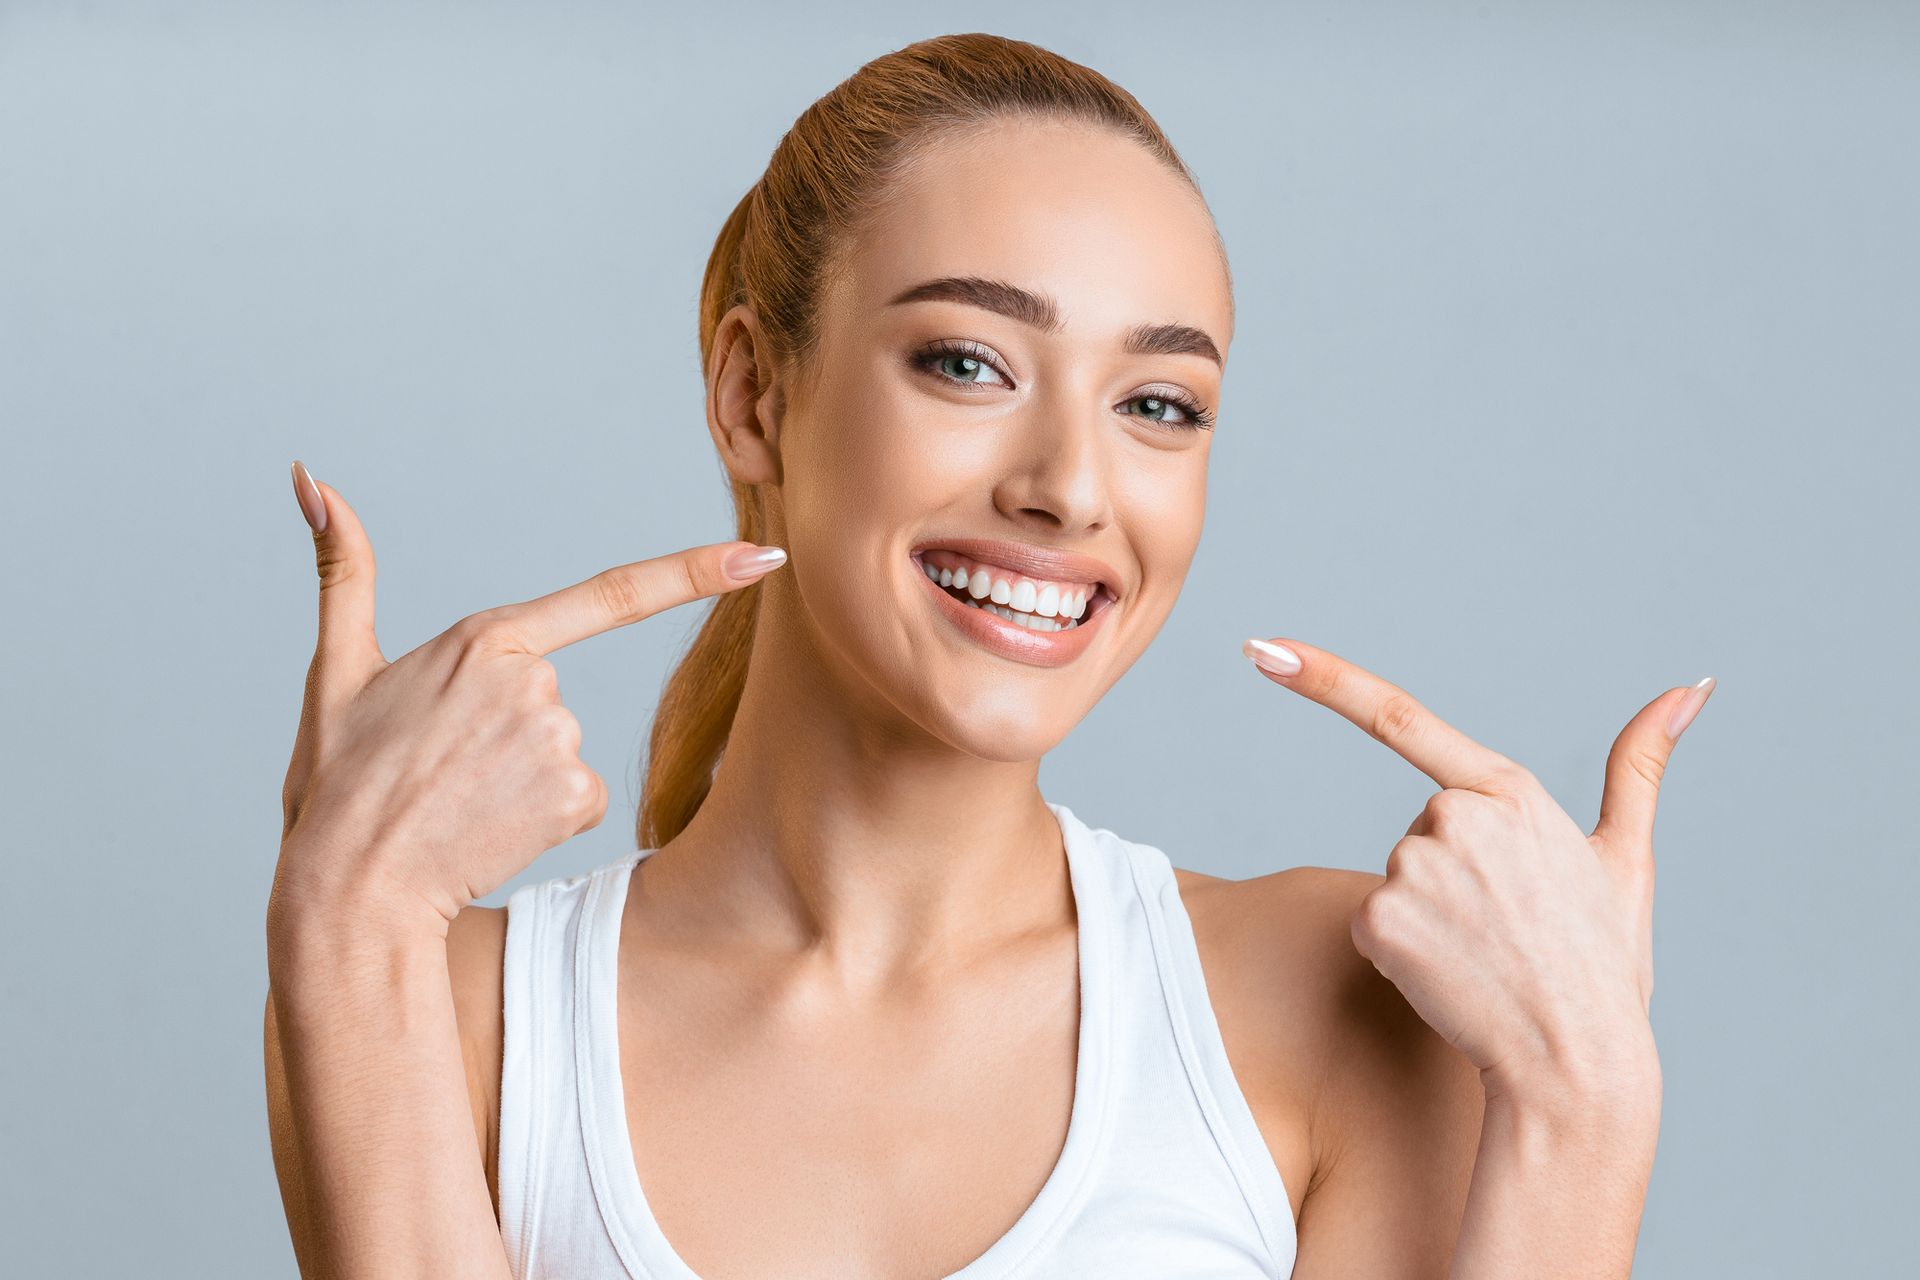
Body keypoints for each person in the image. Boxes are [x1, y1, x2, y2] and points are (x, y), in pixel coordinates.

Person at [264, 32, 1710, 1279]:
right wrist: (344, 912)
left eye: (1159, 403)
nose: (1072, 486)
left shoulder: (1330, 1006)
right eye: (969, 364)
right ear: (755, 395)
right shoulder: (449, 1008)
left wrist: (1586, 1107)